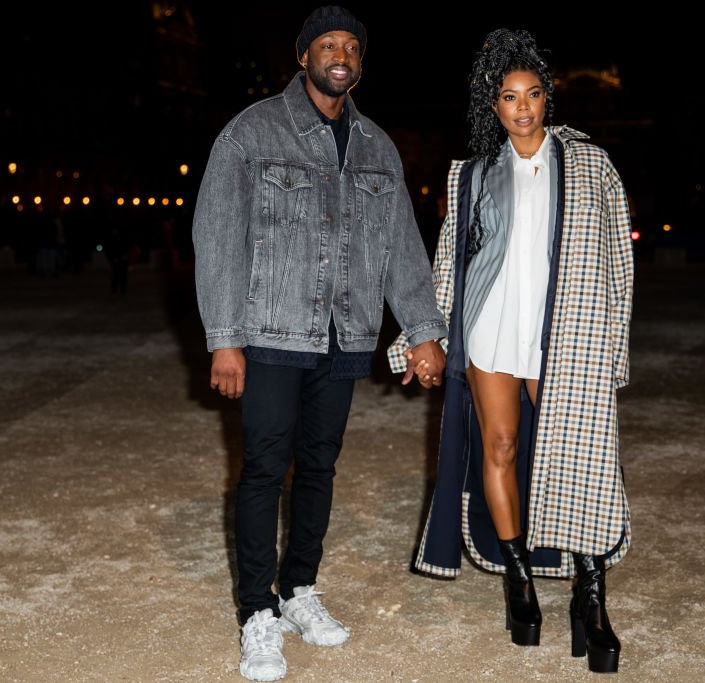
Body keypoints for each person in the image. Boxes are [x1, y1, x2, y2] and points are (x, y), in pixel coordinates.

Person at [192, 7, 447, 681]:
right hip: (270, 331)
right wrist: (224, 339)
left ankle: (299, 586)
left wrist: (423, 329)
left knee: (321, 466)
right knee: (264, 469)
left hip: (345, 334)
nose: (342, 54)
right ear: (303, 56)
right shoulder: (251, 132)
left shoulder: (377, 147)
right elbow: (215, 238)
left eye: (352, 46)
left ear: (359, 63)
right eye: (328, 44)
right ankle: (257, 612)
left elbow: (400, 247)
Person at [389, 28, 634, 674]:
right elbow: (452, 261)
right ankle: (518, 578)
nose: (522, 107)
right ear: (492, 107)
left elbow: (619, 262)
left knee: (573, 450)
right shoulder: (472, 177)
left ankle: (591, 595)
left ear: (547, 98)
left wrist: (615, 345)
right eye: (508, 97)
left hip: (564, 331)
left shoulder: (589, 164)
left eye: (532, 94)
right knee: (498, 446)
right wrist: (423, 334)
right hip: (493, 325)